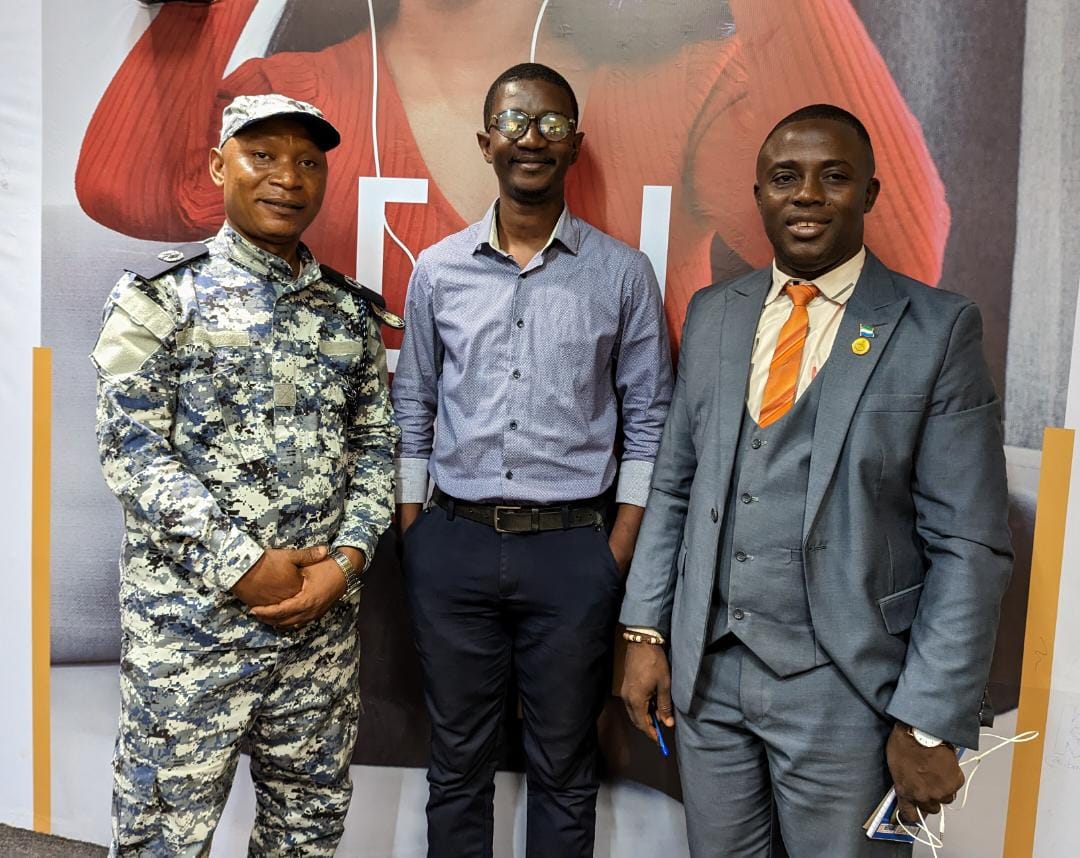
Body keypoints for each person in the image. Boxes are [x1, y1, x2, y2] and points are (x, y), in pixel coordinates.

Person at [75, 0, 949, 354]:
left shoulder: (677, 88)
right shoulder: (302, 100)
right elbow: (130, 190)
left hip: (609, 574)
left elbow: (892, 257)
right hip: (365, 579)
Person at [618, 104, 1012, 857]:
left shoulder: (937, 328)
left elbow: (969, 544)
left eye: (833, 177)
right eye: (784, 178)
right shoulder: (713, 315)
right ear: (760, 193)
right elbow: (674, 486)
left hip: (850, 691)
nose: (806, 194)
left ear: (868, 194)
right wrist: (646, 631)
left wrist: (928, 718)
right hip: (710, 680)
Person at [92, 93, 399, 856]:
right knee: (162, 839)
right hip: (190, 635)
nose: (287, 177)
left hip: (318, 636)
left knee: (306, 836)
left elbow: (378, 446)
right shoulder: (158, 301)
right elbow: (130, 448)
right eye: (263, 155)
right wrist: (243, 567)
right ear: (217, 165)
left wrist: (348, 561)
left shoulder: (351, 315)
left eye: (306, 160)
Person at [391, 63, 672, 858]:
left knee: (563, 767)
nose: (532, 139)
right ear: (486, 142)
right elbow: (412, 405)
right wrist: (415, 530)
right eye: (514, 123)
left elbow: (651, 419)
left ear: (575, 145)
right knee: (456, 769)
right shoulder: (438, 270)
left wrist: (615, 545)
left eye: (552, 125)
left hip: (572, 554)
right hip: (454, 544)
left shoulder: (621, 274)